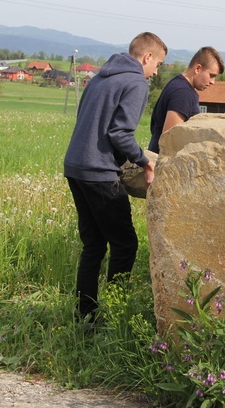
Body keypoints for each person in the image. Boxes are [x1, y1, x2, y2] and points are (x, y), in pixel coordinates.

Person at [64, 32, 168, 323]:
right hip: (99, 173)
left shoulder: (100, 77)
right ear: (147, 57)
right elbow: (120, 133)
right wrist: (145, 161)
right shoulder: (135, 81)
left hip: (75, 167)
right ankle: (114, 311)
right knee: (125, 245)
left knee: (93, 245)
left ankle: (85, 316)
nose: (156, 72)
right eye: (157, 64)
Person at [148, 46, 225, 153]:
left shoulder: (177, 83)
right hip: (164, 165)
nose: (213, 82)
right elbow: (169, 140)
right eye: (211, 75)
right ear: (197, 68)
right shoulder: (183, 93)